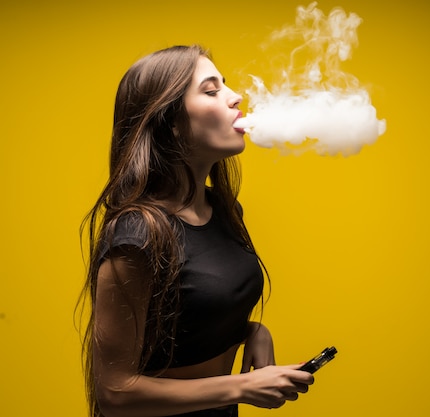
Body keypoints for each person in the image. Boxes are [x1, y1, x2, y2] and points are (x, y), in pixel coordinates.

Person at [78, 44, 314, 417]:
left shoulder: (221, 208)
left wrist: (252, 331)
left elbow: (194, 317)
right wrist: (242, 386)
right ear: (171, 123)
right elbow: (115, 392)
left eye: (227, 85)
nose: (236, 98)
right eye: (211, 90)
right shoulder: (137, 236)